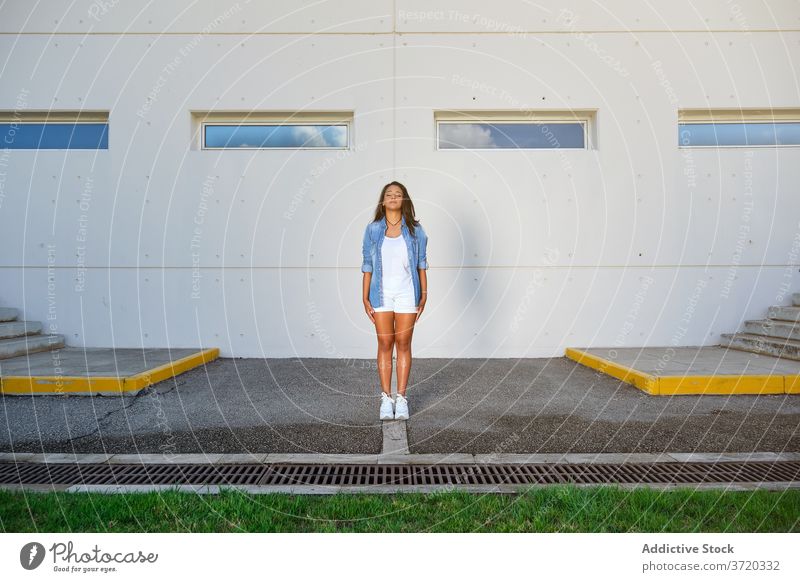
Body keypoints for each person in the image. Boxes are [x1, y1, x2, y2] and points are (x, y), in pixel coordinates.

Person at [361, 181, 428, 420]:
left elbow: (421, 265)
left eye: (398, 194)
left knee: (403, 343)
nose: (393, 197)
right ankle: (385, 398)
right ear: (383, 200)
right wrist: (364, 296)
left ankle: (401, 399)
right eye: (389, 194)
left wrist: (424, 295)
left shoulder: (416, 231)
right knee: (385, 344)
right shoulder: (373, 230)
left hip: (407, 293)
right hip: (381, 294)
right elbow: (367, 265)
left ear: (404, 200)